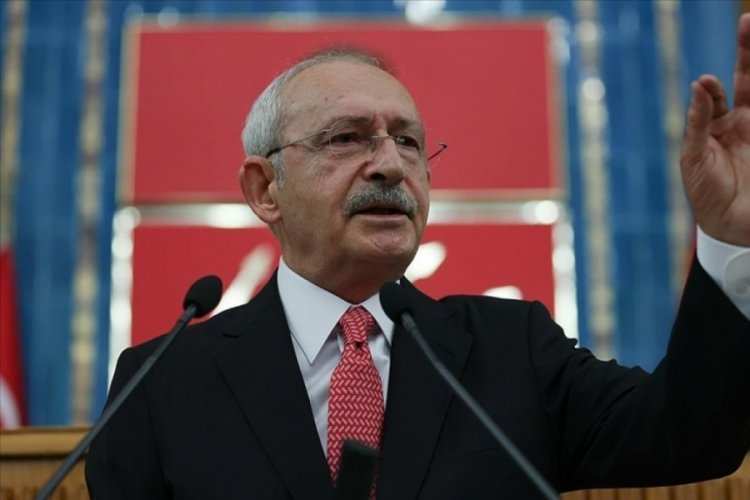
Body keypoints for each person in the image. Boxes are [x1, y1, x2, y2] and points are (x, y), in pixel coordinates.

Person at [86, 14, 750, 500]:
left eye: (408, 142)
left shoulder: (512, 350)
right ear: (265, 190)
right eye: (347, 138)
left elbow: (691, 433)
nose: (390, 165)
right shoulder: (161, 384)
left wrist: (727, 237)